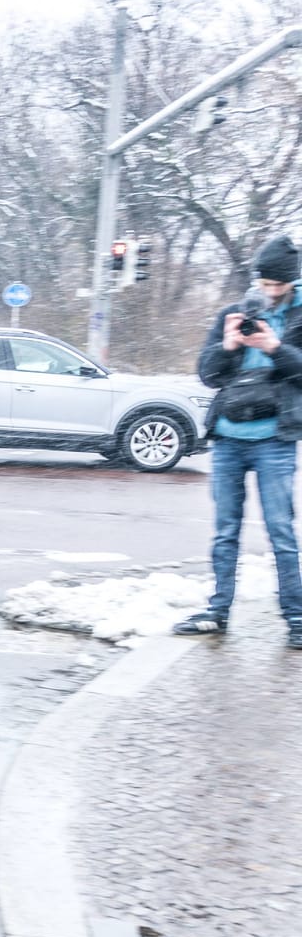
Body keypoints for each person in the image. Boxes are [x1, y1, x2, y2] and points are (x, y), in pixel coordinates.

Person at [174, 234, 302, 649]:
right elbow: (207, 373)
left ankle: (297, 616)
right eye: (264, 283)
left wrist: (275, 347)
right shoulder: (235, 312)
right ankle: (218, 611)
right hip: (228, 439)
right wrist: (228, 345)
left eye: (277, 285)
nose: (269, 291)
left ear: (291, 281)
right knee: (225, 530)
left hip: (274, 441)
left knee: (280, 530)